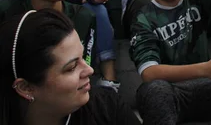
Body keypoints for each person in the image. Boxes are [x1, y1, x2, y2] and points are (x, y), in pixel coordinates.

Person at [0, 9, 140, 125]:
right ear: (26, 88)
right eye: (72, 67)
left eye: (82, 57)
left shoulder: (108, 107)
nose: (89, 70)